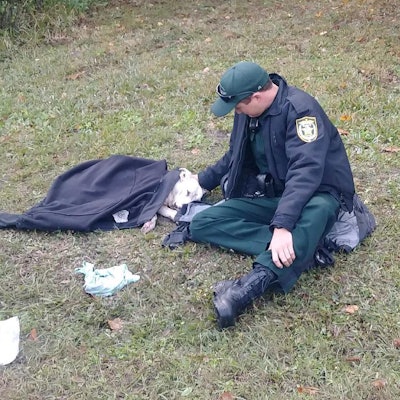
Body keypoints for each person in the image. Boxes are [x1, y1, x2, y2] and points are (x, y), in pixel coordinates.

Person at [189, 61, 355, 329]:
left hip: (318, 193)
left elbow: (306, 172)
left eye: (239, 106)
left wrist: (282, 226)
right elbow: (235, 154)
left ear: (256, 97)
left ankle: (248, 288)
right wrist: (202, 182)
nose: (236, 112)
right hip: (275, 195)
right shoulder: (247, 111)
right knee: (201, 223)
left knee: (320, 210)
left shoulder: (301, 111)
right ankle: (301, 249)